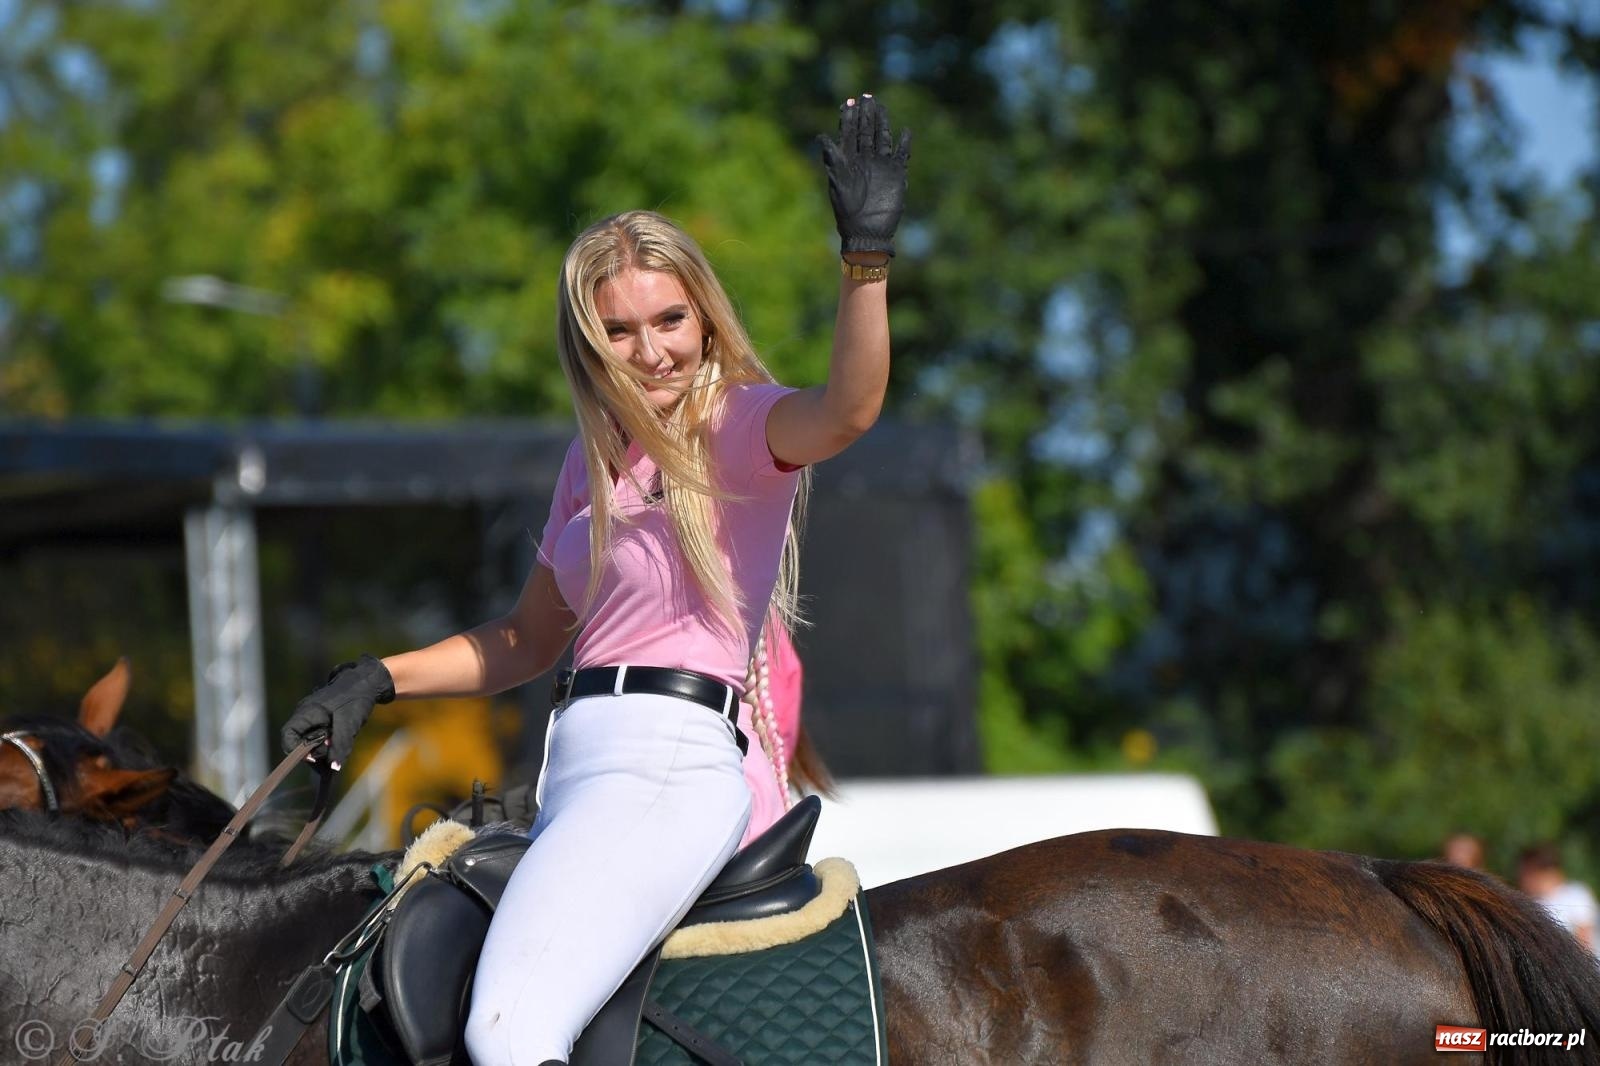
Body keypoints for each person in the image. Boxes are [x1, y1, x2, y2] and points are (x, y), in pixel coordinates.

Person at [282, 94, 910, 1066]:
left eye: (671, 320)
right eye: (620, 330)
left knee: (509, 1028)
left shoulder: (733, 427)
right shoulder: (590, 465)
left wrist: (864, 265)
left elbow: (847, 410)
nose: (652, 350)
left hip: (668, 761)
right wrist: (376, 677)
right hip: (578, 762)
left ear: (704, 318)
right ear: (585, 339)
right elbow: (526, 639)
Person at [1517, 843, 1598, 953]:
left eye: (1526, 873)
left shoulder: (1575, 895)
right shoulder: (1533, 904)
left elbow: (1585, 939)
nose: (1522, 879)